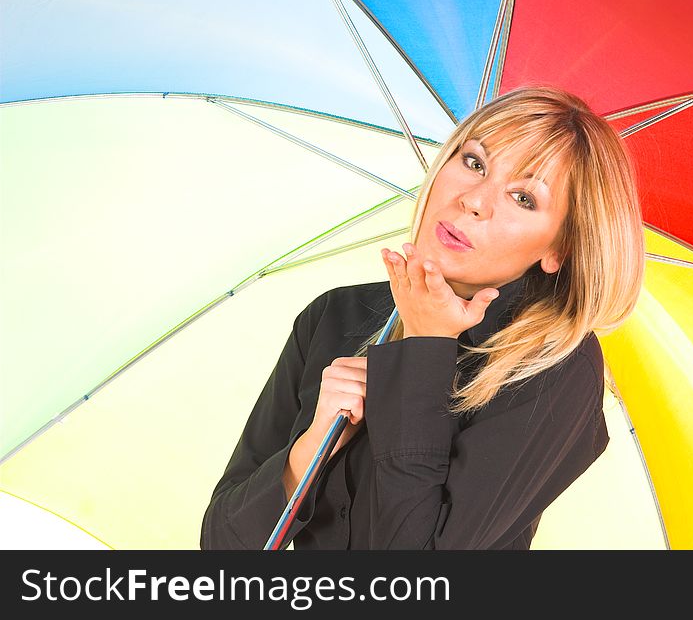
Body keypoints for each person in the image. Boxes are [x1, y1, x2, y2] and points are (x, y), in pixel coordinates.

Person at [200, 85, 645, 550]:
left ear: (559, 249)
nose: (474, 200)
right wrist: (315, 444)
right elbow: (221, 544)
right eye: (474, 162)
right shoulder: (334, 317)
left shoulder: (554, 369)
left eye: (524, 198)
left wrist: (423, 357)